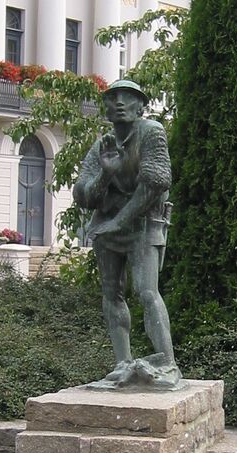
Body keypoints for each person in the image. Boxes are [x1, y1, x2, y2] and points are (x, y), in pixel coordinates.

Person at [73, 79, 181, 390]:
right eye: (113, 97)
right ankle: (122, 362)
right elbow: (83, 195)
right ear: (106, 108)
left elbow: (156, 181)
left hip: (143, 223)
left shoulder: (151, 132)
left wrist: (120, 220)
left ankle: (168, 362)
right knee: (111, 294)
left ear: (141, 106)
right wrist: (106, 173)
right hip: (107, 226)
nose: (120, 102)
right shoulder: (101, 145)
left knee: (147, 292)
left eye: (128, 97)